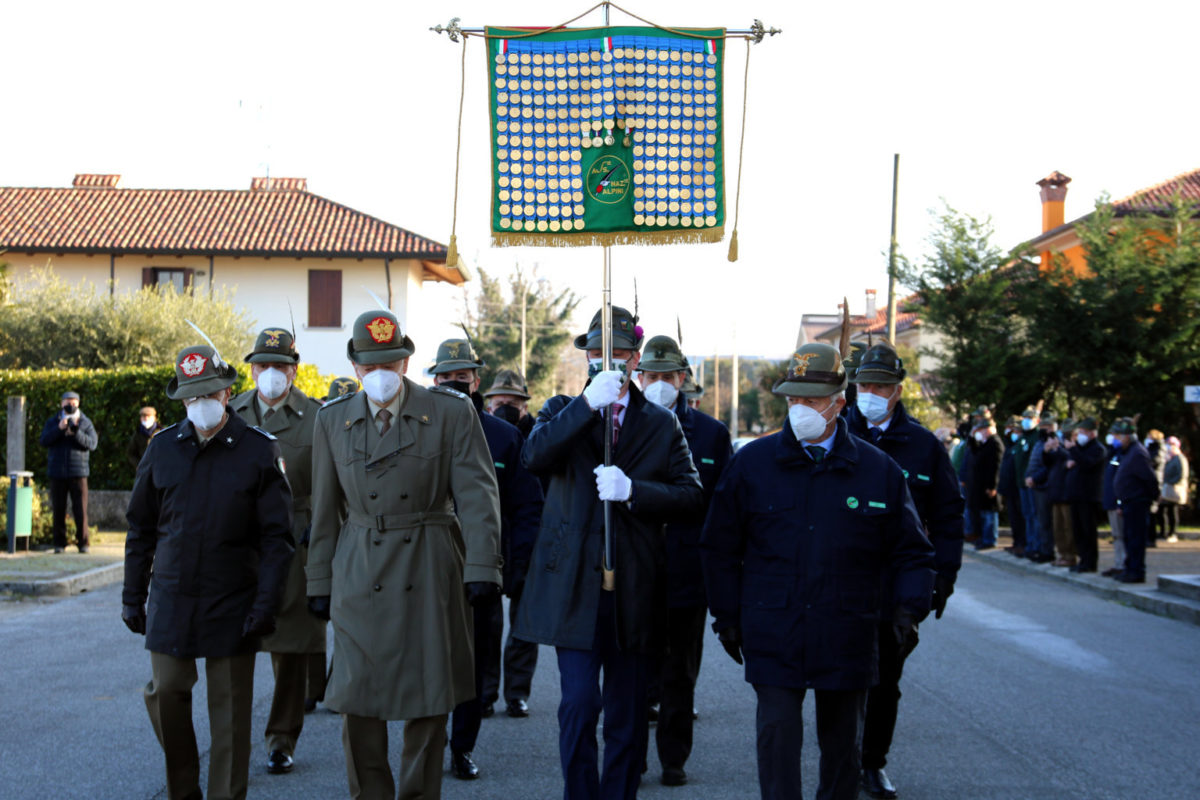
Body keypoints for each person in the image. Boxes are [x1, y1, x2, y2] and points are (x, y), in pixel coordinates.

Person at [702, 342, 935, 800]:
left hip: (848, 631)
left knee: (843, 749)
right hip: (773, 628)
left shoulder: (878, 470)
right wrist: (726, 616)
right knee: (777, 739)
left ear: (839, 402)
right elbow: (719, 547)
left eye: (812, 399)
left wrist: (908, 611)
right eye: (794, 398)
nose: (800, 408)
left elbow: (912, 551)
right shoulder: (752, 464)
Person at [306, 310, 503, 800]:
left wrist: (482, 566)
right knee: (357, 698)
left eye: (390, 363)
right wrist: (318, 580)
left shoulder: (451, 413)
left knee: (430, 699)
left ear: (407, 362)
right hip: (360, 568)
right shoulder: (331, 420)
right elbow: (324, 511)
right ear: (355, 366)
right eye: (371, 365)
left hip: (429, 564)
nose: (381, 374)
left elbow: (478, 496)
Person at [515, 306, 703, 800]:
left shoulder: (661, 423)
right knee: (579, 704)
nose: (609, 362)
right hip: (574, 585)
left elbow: (691, 495)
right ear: (586, 358)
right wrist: (585, 408)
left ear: (635, 358)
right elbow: (533, 456)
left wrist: (635, 490)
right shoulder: (561, 409)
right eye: (599, 353)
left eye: (619, 354)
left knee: (628, 712)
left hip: (634, 586)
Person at [123, 344, 294, 800]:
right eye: (192, 396)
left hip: (233, 597)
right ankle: (183, 789)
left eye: (209, 393)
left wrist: (266, 604)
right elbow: (140, 528)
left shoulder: (258, 450)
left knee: (230, 713)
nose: (201, 404)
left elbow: (277, 538)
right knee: (166, 692)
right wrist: (131, 595)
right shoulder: (162, 448)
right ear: (181, 399)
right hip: (172, 594)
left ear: (227, 393)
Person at [844, 342, 963, 800]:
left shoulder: (923, 446)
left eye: (881, 386)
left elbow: (948, 516)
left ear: (897, 390)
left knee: (885, 681)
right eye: (865, 385)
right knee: (839, 680)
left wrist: (942, 577)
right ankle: (841, 760)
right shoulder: (835, 434)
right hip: (841, 579)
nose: (872, 394)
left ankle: (872, 763)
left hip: (897, 585)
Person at [429, 339, 545, 780]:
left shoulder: (502, 436)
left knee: (475, 665)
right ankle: (429, 743)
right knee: (427, 661)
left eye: (462, 377)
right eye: (446, 377)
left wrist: (516, 566)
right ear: (433, 380)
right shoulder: (415, 428)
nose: (454, 384)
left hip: (482, 569)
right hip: (426, 566)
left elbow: (526, 507)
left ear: (476, 381)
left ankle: (462, 746)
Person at [635, 335, 731, 788]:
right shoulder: (622, 425)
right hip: (634, 569)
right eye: (651, 375)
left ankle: (673, 758)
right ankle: (630, 755)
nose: (659, 383)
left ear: (682, 379)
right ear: (639, 378)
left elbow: (724, 511)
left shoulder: (712, 434)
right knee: (633, 670)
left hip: (687, 572)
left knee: (679, 672)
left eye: (667, 376)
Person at [229, 327, 326, 775]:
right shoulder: (230, 412)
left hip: (294, 539)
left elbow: (328, 486)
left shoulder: (317, 417)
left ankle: (282, 738)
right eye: (263, 365)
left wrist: (321, 539)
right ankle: (232, 736)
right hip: (239, 541)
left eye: (280, 365)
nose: (271, 373)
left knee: (291, 647)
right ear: (251, 370)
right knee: (235, 644)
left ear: (294, 370)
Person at [39, 391, 99, 553]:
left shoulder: (85, 422)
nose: (70, 405)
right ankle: (59, 544)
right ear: (61, 403)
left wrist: (76, 433)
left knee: (80, 510)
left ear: (78, 403)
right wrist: (59, 429)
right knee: (58, 510)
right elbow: (44, 440)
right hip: (57, 472)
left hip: (78, 473)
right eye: (67, 402)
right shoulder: (53, 421)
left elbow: (92, 444)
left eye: (73, 402)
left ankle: (83, 543)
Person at [1110, 417, 1159, 583]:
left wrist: (1151, 497)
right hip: (1128, 501)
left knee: (1136, 538)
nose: (1115, 439)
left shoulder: (1138, 453)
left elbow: (1149, 479)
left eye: (1118, 436)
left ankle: (1136, 571)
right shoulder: (1128, 452)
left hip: (1137, 502)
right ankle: (1129, 568)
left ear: (1127, 436)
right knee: (1129, 538)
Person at [1065, 418, 1105, 573]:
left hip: (1088, 496)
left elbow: (1087, 464)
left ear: (1092, 433)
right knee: (1078, 530)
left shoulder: (1097, 449)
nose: (1080, 435)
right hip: (1076, 496)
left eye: (1083, 432)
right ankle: (1082, 560)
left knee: (1088, 531)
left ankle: (1090, 562)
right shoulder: (1080, 449)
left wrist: (1073, 450)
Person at [1024, 413, 1059, 563]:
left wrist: (1034, 478)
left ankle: (1047, 551)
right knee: (1037, 519)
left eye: (1046, 427)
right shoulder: (1040, 442)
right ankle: (1038, 548)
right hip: (1035, 485)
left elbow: (1048, 466)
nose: (1043, 430)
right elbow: (1033, 463)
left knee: (1045, 521)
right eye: (1042, 427)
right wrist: (1028, 476)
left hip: (1044, 486)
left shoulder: (1054, 442)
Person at [966, 416, 1003, 551]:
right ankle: (983, 538)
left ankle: (990, 539)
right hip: (980, 485)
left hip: (989, 485)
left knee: (989, 513)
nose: (980, 432)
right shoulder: (985, 443)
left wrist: (992, 486)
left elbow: (996, 466)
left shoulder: (995, 443)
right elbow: (975, 451)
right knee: (982, 513)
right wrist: (972, 437)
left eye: (982, 429)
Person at [1043, 419, 1077, 567]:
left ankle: (1070, 555)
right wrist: (1046, 450)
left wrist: (1059, 447)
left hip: (1067, 493)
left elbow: (1070, 457)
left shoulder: (1072, 447)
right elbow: (1048, 462)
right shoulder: (1061, 448)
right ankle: (1062, 554)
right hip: (1056, 493)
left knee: (1068, 527)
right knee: (1058, 527)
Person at [1013, 407, 1043, 560]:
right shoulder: (1023, 437)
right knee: (1027, 515)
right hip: (1021, 483)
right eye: (1025, 418)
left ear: (1037, 420)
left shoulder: (1037, 436)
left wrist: (1031, 477)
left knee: (1034, 515)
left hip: (1032, 483)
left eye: (1030, 418)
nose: (1026, 421)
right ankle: (1029, 545)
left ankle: (1036, 546)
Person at [998, 416, 1027, 556]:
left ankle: (1023, 544)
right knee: (1014, 518)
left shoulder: (1021, 444)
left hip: (1018, 487)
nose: (1012, 432)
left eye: (1014, 430)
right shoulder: (1010, 445)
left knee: (1021, 518)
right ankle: (1017, 543)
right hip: (1009, 488)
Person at [1100, 431, 1126, 578]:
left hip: (1118, 502)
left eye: (1116, 435)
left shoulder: (1124, 455)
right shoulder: (1113, 454)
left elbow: (1122, 480)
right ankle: (1118, 564)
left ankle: (1123, 565)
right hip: (1111, 501)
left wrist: (1120, 502)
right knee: (1116, 535)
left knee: (1121, 535)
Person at [484, 367, 535, 437]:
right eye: (499, 404)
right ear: (489, 409)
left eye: (512, 404)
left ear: (525, 408)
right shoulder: (481, 433)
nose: (505, 409)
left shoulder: (537, 435)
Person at [1160, 437, 1188, 542]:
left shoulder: (1180, 458)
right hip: (1167, 488)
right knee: (1163, 510)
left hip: (1175, 489)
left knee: (1173, 511)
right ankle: (1164, 533)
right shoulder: (1169, 458)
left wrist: (1170, 482)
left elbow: (1182, 475)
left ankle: (1173, 533)